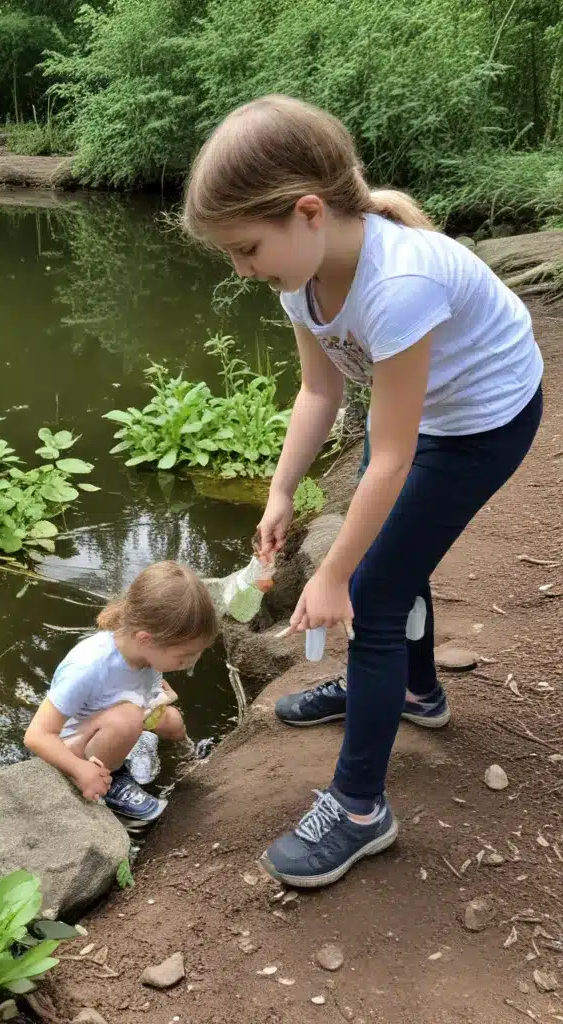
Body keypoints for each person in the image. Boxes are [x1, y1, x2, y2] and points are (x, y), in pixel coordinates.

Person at [182, 95, 543, 888]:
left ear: (309, 212)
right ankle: (414, 691)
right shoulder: (301, 279)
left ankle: (358, 811)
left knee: (374, 593)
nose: (243, 271)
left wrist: (335, 574)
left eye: (247, 248)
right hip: (423, 414)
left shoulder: (397, 285)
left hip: (484, 419)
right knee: (386, 565)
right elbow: (320, 393)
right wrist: (281, 493)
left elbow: (393, 457)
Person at [24, 561, 217, 824]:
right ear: (146, 639)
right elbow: (36, 736)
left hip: (113, 721)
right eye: (184, 657)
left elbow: (141, 690)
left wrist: (158, 698)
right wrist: (80, 769)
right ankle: (112, 782)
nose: (191, 664)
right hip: (71, 747)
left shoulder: (144, 655)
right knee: (126, 718)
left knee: (172, 721)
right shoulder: (88, 666)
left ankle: (187, 757)